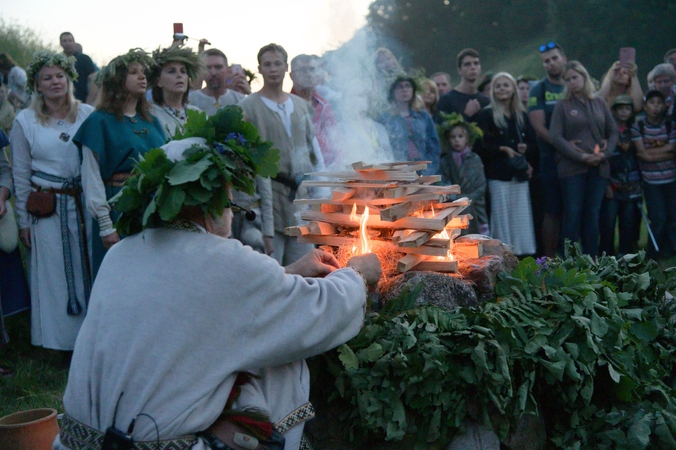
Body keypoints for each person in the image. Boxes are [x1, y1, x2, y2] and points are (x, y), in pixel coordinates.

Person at [53, 119, 382, 450]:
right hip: (159, 443)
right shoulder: (224, 261)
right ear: (213, 205)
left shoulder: (121, 255)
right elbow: (316, 312)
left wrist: (288, 273)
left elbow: (202, 300)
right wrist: (355, 273)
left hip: (78, 442)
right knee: (279, 365)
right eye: (229, 203)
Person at [10, 51, 94, 353]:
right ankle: (58, 344)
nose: (55, 81)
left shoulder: (86, 114)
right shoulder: (26, 121)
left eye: (60, 75)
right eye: (47, 77)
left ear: (69, 80)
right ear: (38, 85)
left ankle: (88, 341)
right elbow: (19, 174)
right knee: (53, 275)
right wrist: (23, 222)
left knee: (87, 270)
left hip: (83, 205)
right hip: (46, 209)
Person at [74, 48, 166, 278]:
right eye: (134, 72)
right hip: (119, 211)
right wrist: (105, 224)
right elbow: (91, 175)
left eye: (143, 72)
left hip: (152, 209)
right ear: (117, 80)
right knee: (121, 278)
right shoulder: (98, 122)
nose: (142, 77)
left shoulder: (151, 121)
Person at [239, 43, 325, 265]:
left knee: (307, 272)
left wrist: (321, 193)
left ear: (286, 67)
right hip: (268, 201)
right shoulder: (247, 108)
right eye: (267, 64)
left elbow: (314, 155)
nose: (273, 69)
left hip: (301, 203)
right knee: (270, 271)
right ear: (259, 69)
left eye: (277, 63)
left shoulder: (301, 106)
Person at [550, 60, 619, 257]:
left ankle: (592, 258)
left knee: (592, 214)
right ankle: (568, 260)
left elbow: (613, 132)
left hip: (599, 167)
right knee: (572, 213)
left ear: (584, 77)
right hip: (572, 169)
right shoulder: (562, 106)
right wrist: (581, 156)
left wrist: (605, 153)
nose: (572, 82)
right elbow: (556, 137)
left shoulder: (599, 103)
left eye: (575, 77)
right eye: (568, 79)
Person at [475, 73, 538, 255]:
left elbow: (535, 146)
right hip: (498, 176)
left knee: (521, 221)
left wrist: (526, 149)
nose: (502, 89)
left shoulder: (521, 116)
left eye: (506, 85)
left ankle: (523, 256)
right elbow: (480, 146)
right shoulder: (486, 115)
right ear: (493, 90)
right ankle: (502, 256)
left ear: (513, 89)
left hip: (519, 176)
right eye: (498, 86)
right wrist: (502, 149)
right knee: (501, 220)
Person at [528, 42, 567, 257]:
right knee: (552, 211)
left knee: (576, 210)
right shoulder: (538, 89)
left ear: (564, 59)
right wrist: (565, 146)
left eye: (554, 58)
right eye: (546, 61)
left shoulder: (574, 84)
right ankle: (550, 259)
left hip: (576, 160)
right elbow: (538, 126)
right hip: (551, 159)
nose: (551, 64)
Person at [631, 90, 676, 259]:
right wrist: (662, 154)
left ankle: (670, 249)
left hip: (671, 179)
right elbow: (641, 154)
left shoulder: (670, 125)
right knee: (658, 216)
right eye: (652, 102)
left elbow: (672, 150)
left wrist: (650, 153)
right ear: (645, 106)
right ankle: (653, 251)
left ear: (664, 106)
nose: (656, 106)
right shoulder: (639, 126)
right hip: (651, 181)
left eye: (659, 103)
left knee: (673, 216)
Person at [599, 95, 642, 256]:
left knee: (628, 223)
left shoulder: (635, 130)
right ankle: (606, 256)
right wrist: (606, 183)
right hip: (612, 184)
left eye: (628, 108)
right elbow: (602, 159)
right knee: (608, 224)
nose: (624, 112)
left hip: (632, 185)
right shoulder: (606, 133)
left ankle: (626, 256)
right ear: (614, 111)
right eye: (620, 108)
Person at [376, 76, 441, 176]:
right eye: (399, 87)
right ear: (392, 92)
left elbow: (433, 147)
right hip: (396, 172)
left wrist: (428, 171)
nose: (404, 90)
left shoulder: (423, 117)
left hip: (422, 171)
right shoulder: (384, 119)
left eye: (407, 86)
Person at [437, 112, 488, 235]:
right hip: (454, 204)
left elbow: (481, 185)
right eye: (453, 137)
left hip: (475, 205)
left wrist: (470, 198)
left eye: (460, 136)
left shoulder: (474, 158)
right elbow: (442, 181)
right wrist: (453, 196)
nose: (457, 140)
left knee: (478, 236)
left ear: (467, 138)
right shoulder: (445, 160)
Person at [290, 54, 338, 167]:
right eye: (302, 70)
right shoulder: (287, 106)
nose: (308, 74)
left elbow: (337, 142)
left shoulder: (325, 105)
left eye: (312, 69)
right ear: (292, 76)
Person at [148, 46, 205, 138]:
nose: (179, 75)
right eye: (171, 71)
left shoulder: (198, 113)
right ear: (158, 81)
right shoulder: (150, 114)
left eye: (183, 71)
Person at [188, 49, 246, 116]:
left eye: (218, 67)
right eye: (208, 68)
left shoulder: (241, 101)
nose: (213, 73)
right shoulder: (189, 101)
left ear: (227, 70)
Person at [437, 48, 490, 121]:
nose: (473, 67)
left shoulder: (486, 101)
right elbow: (443, 129)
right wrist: (466, 114)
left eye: (476, 63)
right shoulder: (445, 100)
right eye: (467, 64)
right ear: (459, 70)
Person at [59, 32, 97, 103]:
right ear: (60, 43)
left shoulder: (84, 59)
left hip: (81, 101)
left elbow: (93, 80)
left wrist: (89, 101)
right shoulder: (57, 60)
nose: (68, 43)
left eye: (70, 40)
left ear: (74, 42)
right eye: (65, 41)